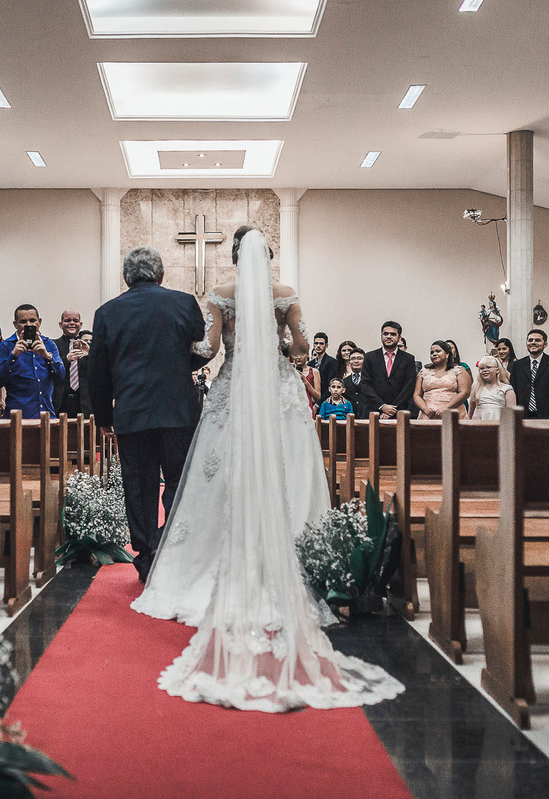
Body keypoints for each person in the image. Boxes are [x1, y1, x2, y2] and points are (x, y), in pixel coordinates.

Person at [131, 226, 402, 712]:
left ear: (235, 258)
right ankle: (299, 563)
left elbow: (209, 351)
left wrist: (171, 350)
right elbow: (300, 350)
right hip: (279, 395)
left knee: (219, 480)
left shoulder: (220, 294)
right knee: (292, 473)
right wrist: (286, 345)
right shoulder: (286, 295)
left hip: (234, 392)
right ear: (269, 257)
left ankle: (212, 565)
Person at [89, 245, 208, 583]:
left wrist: (103, 418)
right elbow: (201, 348)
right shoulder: (184, 302)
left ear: (126, 277)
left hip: (132, 411)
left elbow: (98, 369)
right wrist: (179, 368)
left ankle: (147, 554)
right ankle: (177, 545)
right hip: (179, 410)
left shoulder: (107, 312)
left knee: (139, 486)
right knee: (178, 481)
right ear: (161, 274)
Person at [0, 304, 65, 418]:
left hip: (46, 415)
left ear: (39, 322)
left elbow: (61, 376)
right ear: (15, 324)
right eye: (23, 321)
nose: (28, 325)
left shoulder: (49, 344)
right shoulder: (6, 346)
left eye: (32, 320)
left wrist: (47, 356)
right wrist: (13, 356)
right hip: (17, 417)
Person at [361, 321, 417, 419]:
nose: (389, 336)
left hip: (399, 411)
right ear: (381, 336)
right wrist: (383, 406)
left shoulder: (408, 359)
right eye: (386, 334)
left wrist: (391, 410)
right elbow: (365, 384)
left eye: (393, 334)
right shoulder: (370, 357)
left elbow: (409, 386)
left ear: (399, 338)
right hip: (373, 410)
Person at [510, 328, 549, 419]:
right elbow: (513, 392)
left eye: (537, 340)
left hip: (548, 416)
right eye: (530, 340)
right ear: (526, 344)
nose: (533, 342)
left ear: (545, 344)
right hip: (523, 416)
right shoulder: (518, 365)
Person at [413, 340, 472, 419]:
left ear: (447, 354)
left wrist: (447, 407)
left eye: (438, 351)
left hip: (452, 412)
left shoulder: (459, 370)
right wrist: (424, 409)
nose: (434, 354)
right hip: (429, 414)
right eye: (432, 352)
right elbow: (417, 395)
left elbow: (465, 393)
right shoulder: (423, 372)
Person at [52, 308, 91, 416]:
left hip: (84, 405)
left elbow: (98, 375)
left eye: (75, 320)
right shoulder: (53, 345)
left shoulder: (88, 347)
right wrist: (65, 360)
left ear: (81, 324)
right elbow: (49, 371)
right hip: (60, 403)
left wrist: (90, 356)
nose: (72, 323)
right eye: (68, 320)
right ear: (61, 324)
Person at [469, 355, 515, 420]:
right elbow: (471, 411)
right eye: (482, 368)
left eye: (488, 367)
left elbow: (511, 413)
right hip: (478, 422)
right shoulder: (476, 387)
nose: (485, 370)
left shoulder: (506, 389)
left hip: (498, 421)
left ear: (497, 370)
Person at [308, 332, 336, 402]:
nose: (318, 346)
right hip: (311, 400)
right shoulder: (310, 364)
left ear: (326, 345)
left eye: (321, 343)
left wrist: (319, 404)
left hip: (325, 402)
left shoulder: (332, 362)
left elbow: (331, 385)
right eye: (316, 343)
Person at [292, 350, 320, 418]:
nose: (298, 357)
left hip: (307, 407)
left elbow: (318, 397)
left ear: (307, 354)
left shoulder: (314, 371)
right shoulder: (288, 371)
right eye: (296, 355)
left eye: (301, 354)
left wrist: (305, 382)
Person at [341, 348, 370, 415]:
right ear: (349, 361)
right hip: (349, 420)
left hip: (368, 419)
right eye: (353, 359)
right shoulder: (344, 382)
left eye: (359, 358)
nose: (356, 361)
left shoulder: (371, 379)